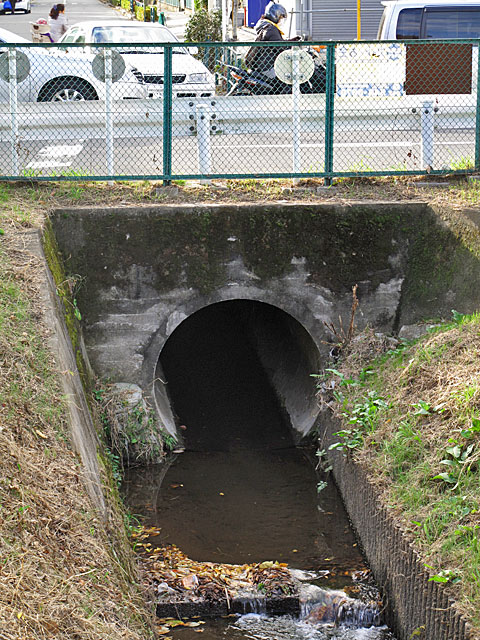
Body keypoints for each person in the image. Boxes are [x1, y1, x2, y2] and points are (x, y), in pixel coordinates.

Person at [245, 2, 299, 78]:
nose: (281, 21)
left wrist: (291, 41)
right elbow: (280, 47)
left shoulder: (264, 25)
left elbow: (277, 43)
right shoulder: (271, 29)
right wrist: (292, 45)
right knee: (291, 74)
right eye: (281, 18)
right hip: (268, 66)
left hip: (260, 64)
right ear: (275, 15)